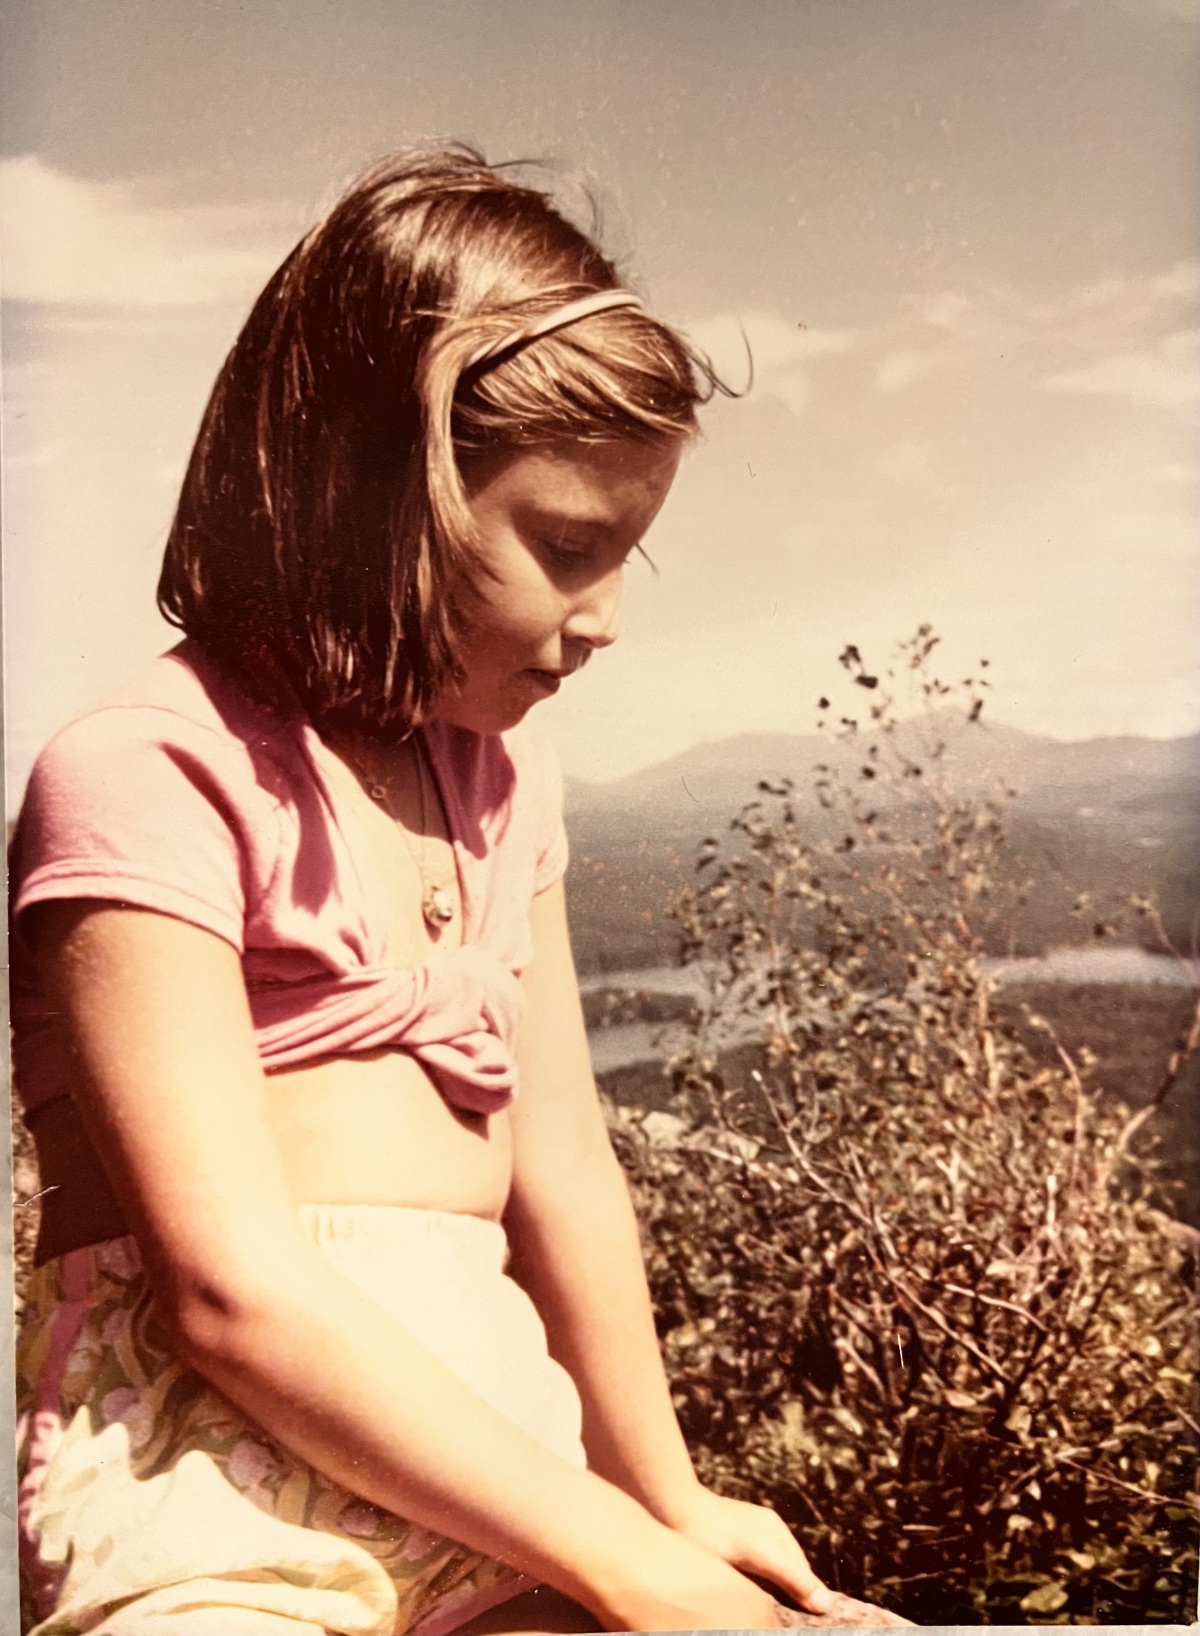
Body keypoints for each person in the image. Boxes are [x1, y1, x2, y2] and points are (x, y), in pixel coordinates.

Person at [10, 146, 837, 1636]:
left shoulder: (503, 791)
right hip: (218, 1520)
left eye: (627, 555)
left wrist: (664, 1500)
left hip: (514, 1493)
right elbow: (229, 1294)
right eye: (568, 546)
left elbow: (565, 1181)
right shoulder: (146, 775)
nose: (604, 621)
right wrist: (625, 1560)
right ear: (372, 488)